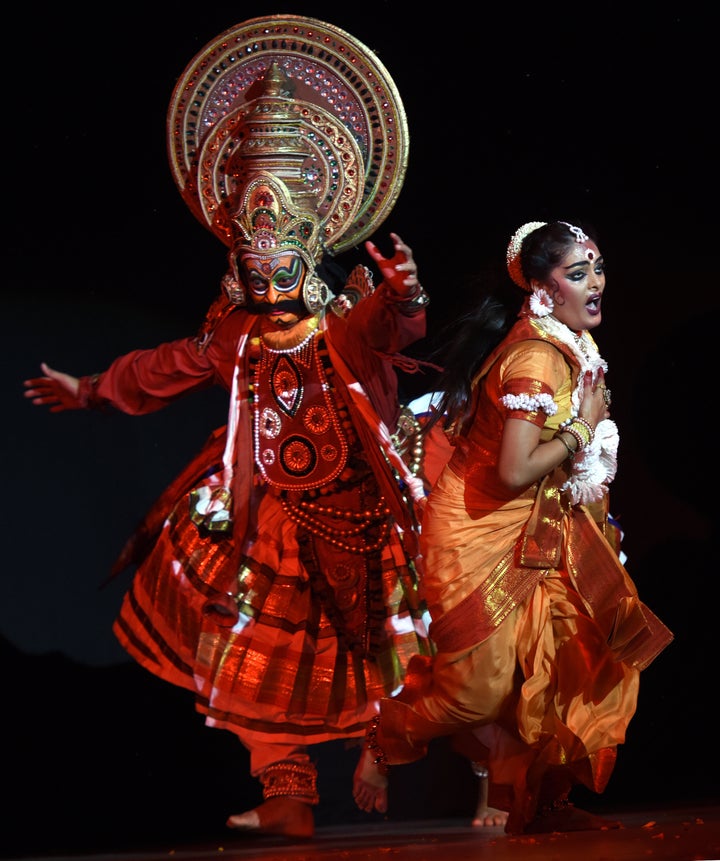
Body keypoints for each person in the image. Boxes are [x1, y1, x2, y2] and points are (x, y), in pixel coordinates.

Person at [23, 17, 433, 840]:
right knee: (246, 648)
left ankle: (400, 756)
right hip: (267, 517)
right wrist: (93, 388)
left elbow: (387, 335)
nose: (265, 266)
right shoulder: (235, 333)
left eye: (280, 253)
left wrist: (402, 295)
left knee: (389, 653)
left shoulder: (339, 325)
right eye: (252, 254)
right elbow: (164, 366)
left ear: (313, 244)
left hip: (358, 515)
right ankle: (286, 793)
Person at [352, 220, 674, 834]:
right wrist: (582, 428)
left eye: (598, 268)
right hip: (482, 529)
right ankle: (387, 735)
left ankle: (540, 799)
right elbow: (514, 470)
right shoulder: (536, 358)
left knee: (563, 663)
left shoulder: (569, 344)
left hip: (547, 526)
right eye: (578, 274)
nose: (596, 283)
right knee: (479, 692)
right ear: (541, 287)